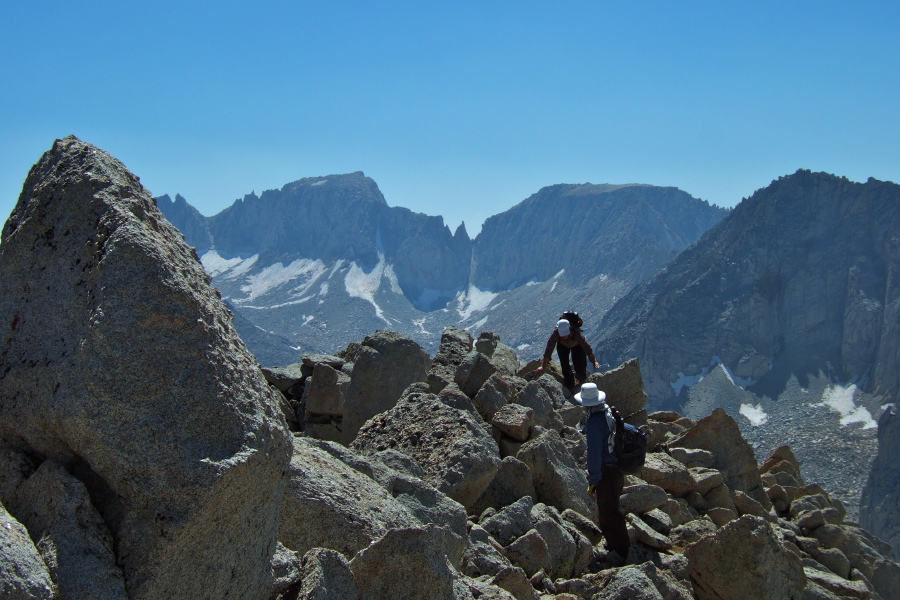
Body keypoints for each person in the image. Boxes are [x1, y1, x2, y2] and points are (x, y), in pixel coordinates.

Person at [575, 382, 630, 559]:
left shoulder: (594, 422)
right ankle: (617, 545)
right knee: (612, 508)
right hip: (617, 468)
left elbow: (594, 454)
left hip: (606, 473)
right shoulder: (607, 411)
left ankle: (621, 552)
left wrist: (593, 481)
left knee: (608, 513)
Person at [535, 315, 600, 389]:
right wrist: (543, 366)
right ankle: (570, 384)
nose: (564, 336)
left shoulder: (576, 332)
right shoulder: (556, 333)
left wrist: (594, 361)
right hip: (562, 345)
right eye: (562, 334)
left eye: (565, 334)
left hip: (577, 345)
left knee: (580, 362)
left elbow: (587, 347)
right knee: (564, 364)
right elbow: (549, 348)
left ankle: (581, 380)